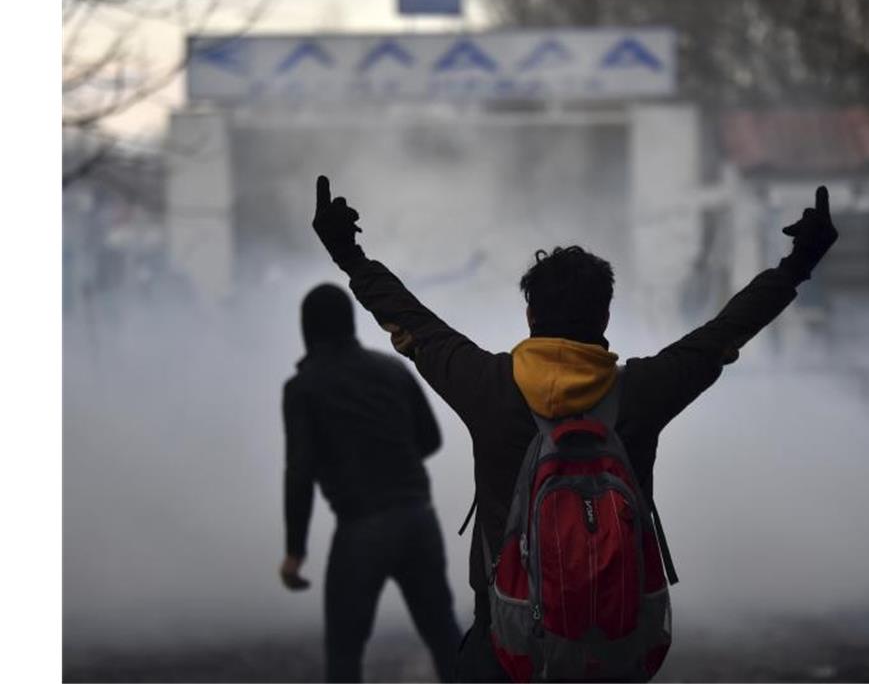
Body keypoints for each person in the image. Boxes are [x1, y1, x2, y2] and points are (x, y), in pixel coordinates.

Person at [310, 175, 838, 681]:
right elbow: (726, 330)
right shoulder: (642, 393)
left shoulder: (487, 387)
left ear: (531, 317)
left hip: (507, 641)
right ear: (605, 318)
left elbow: (411, 319)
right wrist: (799, 264)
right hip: (614, 646)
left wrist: (347, 254)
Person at [278, 283, 462, 682]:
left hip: (361, 528)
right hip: (417, 519)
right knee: (445, 636)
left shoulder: (303, 388)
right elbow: (430, 439)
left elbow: (299, 472)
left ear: (307, 329)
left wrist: (294, 552)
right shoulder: (391, 369)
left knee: (345, 652)